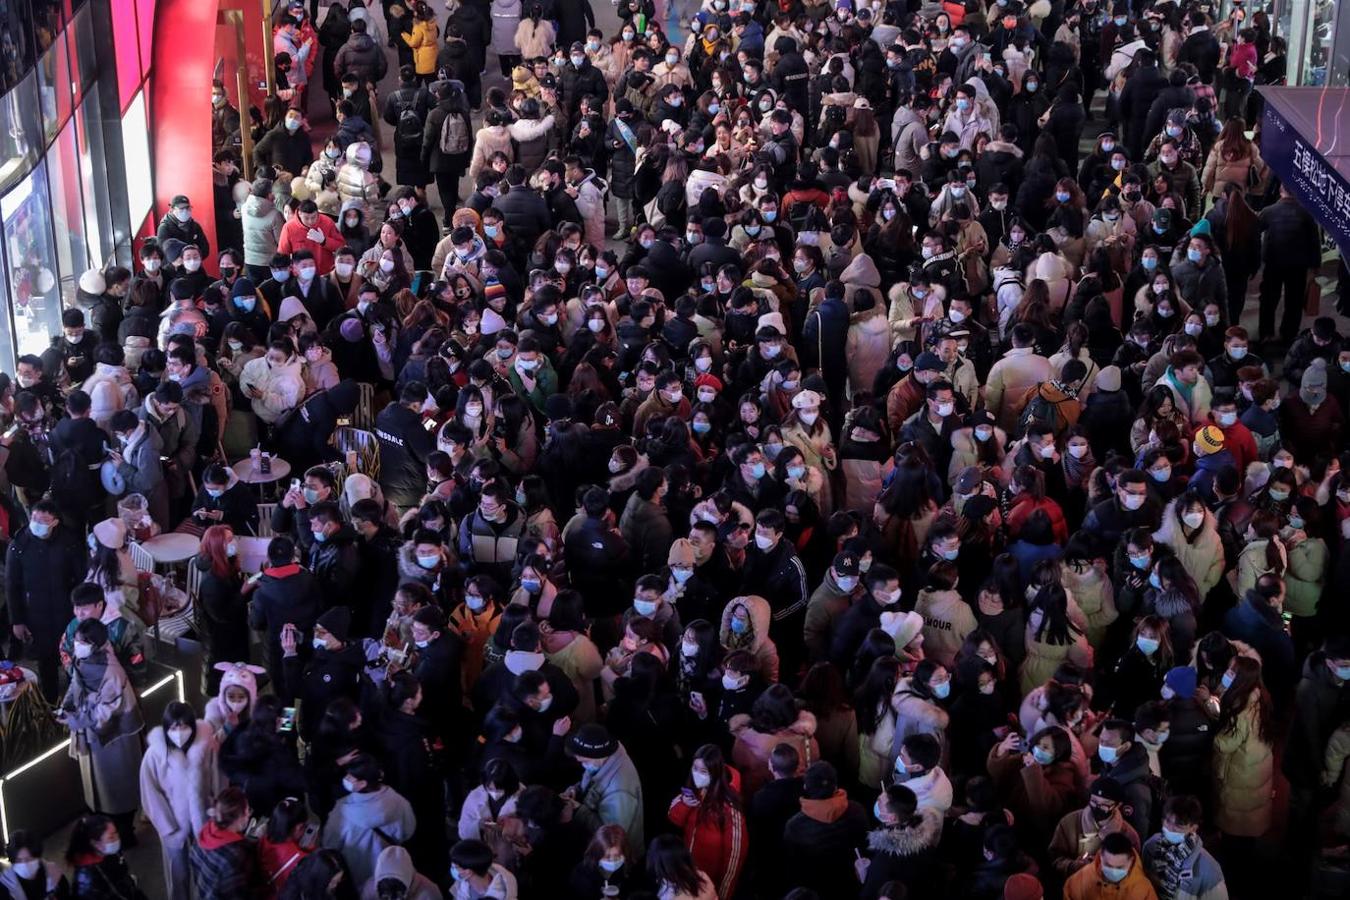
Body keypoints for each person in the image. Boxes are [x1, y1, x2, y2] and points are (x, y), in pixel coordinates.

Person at [58, 618, 144, 846]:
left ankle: (123, 835)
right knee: (100, 790)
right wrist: (67, 706)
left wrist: (76, 719)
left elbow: (106, 712)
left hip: (113, 739)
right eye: (76, 641)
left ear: (95, 644)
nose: (77, 646)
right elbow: (75, 684)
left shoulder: (111, 672)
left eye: (81, 642)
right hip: (93, 736)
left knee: (118, 791)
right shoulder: (85, 660)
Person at [139, 702, 221, 900]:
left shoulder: (206, 745)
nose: (179, 732)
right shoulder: (155, 754)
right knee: (178, 872)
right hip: (173, 823)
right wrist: (167, 826)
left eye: (184, 726)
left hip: (205, 817)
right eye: (174, 727)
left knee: (206, 868)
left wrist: (217, 810)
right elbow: (150, 793)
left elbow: (218, 778)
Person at [6, 500, 87, 698]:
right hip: (36, 615)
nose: (37, 524)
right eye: (34, 518)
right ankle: (50, 703)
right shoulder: (19, 545)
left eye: (43, 520)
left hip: (66, 614)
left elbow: (82, 578)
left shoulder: (70, 543)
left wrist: (83, 614)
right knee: (46, 663)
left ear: (55, 522)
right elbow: (12, 586)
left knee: (72, 661)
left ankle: (74, 701)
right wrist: (17, 620)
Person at [322, 753, 417, 887]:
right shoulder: (399, 802)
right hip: (390, 870)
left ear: (362, 783)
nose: (346, 779)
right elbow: (408, 831)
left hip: (356, 874)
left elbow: (330, 843)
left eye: (351, 777)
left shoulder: (342, 810)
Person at [189, 786, 257, 899]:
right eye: (247, 811)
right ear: (239, 817)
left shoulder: (205, 832)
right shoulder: (236, 856)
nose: (249, 815)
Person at [66, 814, 147, 900]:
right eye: (111, 837)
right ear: (95, 843)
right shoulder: (92, 881)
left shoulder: (106, 851)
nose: (117, 838)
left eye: (116, 832)